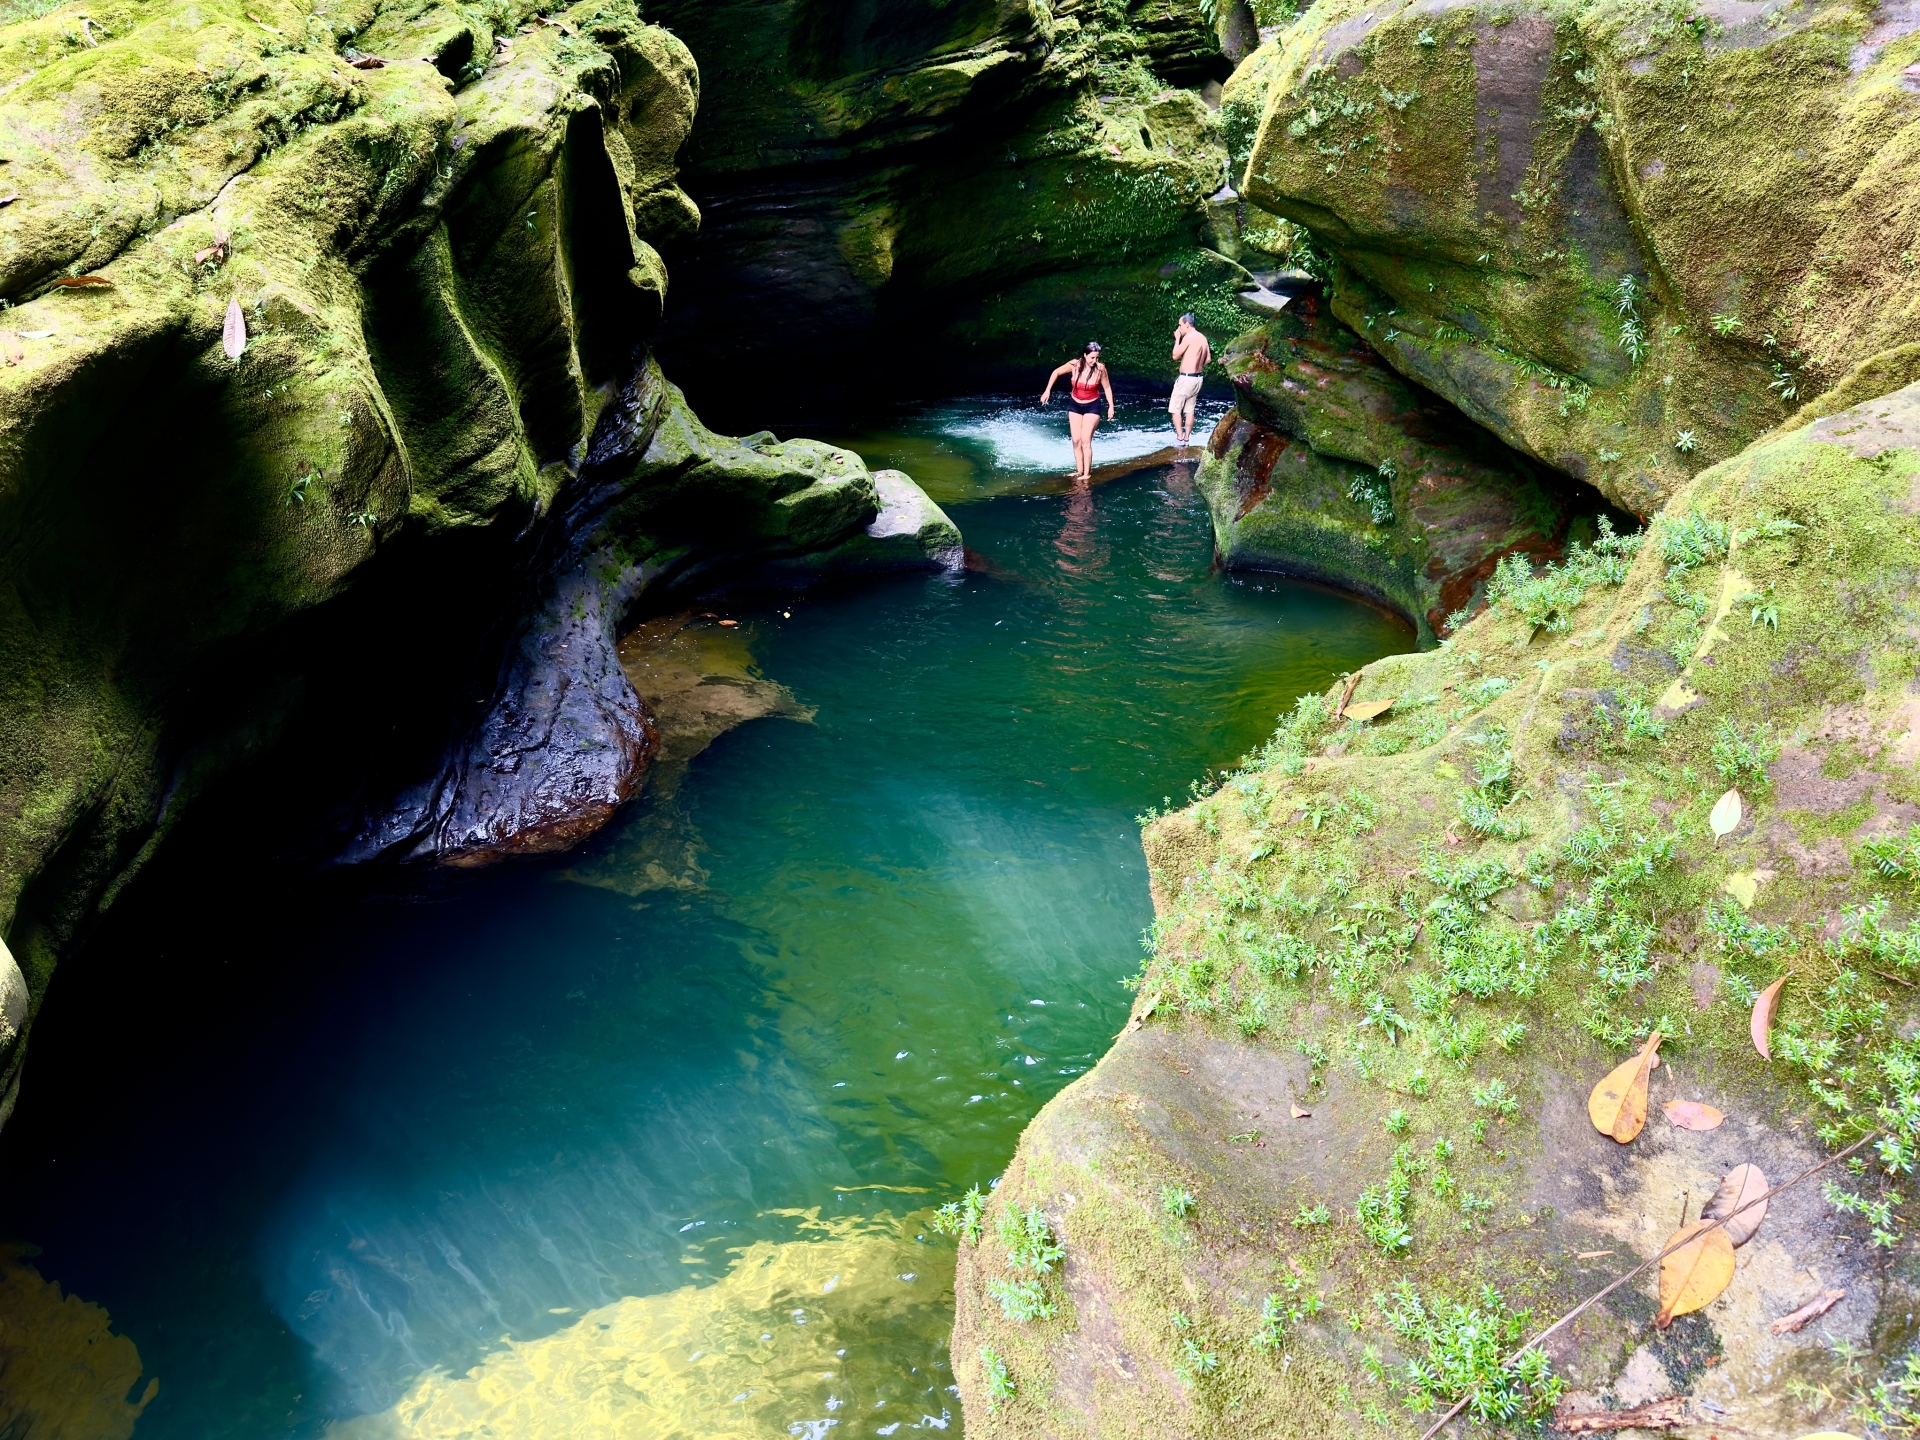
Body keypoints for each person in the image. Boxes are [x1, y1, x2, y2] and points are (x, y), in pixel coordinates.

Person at [1040, 341, 1115, 482]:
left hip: (1092, 406)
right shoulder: (1074, 365)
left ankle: (1087, 473)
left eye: (1097, 357)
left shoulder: (1100, 369)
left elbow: (1107, 388)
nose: (1095, 361)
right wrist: (1047, 390)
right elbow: (1056, 372)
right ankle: (1079, 471)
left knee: (1086, 440)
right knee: (1076, 440)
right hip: (1075, 405)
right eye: (1092, 357)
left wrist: (1111, 406)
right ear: (1085, 355)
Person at [1169, 313, 1211, 446]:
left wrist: (1177, 339)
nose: (1179, 328)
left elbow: (1175, 355)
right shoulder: (1202, 338)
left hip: (1186, 379)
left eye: (1180, 325)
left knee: (1175, 409)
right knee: (1189, 410)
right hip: (1198, 379)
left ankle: (1180, 438)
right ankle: (1187, 438)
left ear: (1187, 324)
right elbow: (1208, 359)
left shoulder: (1188, 337)